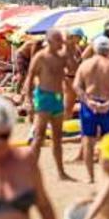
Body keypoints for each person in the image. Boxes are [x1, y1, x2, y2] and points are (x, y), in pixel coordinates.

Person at [73, 36, 109, 184]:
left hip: (89, 105)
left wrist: (88, 102)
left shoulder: (85, 65)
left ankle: (90, 176)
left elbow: (76, 86)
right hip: (108, 104)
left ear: (94, 49)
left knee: (88, 141)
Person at [26, 29, 74, 181]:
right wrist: (28, 100)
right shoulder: (41, 57)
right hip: (44, 97)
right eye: (58, 40)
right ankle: (31, 172)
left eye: (61, 40)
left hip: (57, 98)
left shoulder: (62, 56)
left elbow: (73, 68)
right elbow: (30, 78)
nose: (61, 43)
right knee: (39, 136)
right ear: (50, 41)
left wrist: (69, 47)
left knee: (57, 138)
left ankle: (61, 172)